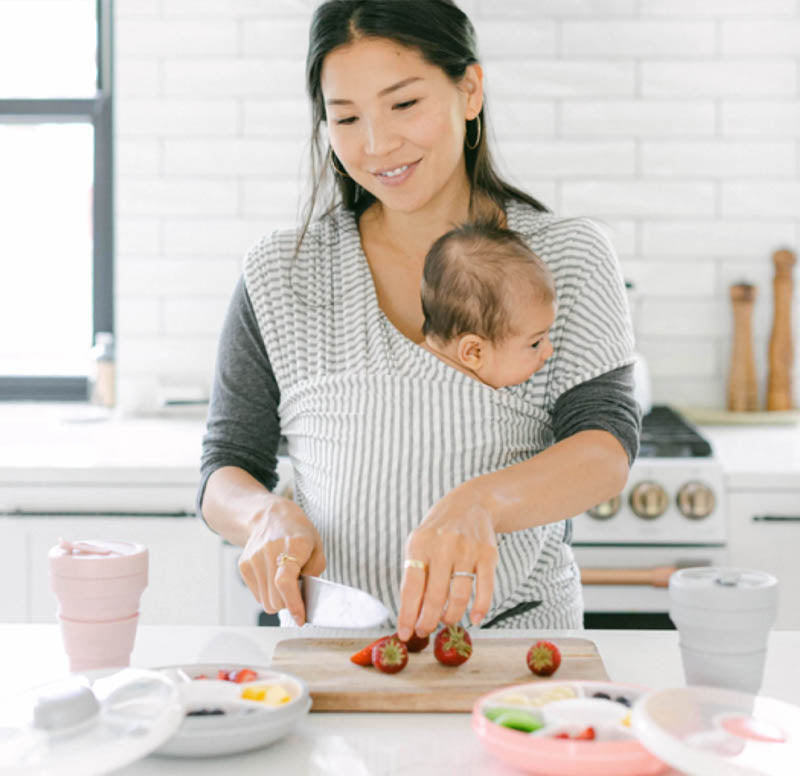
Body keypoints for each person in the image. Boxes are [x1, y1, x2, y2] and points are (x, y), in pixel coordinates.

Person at [199, 0, 640, 640]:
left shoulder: (567, 256)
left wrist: (481, 502)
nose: (377, 145)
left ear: (469, 90)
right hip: (330, 640)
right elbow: (225, 467)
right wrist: (262, 514)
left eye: (403, 105)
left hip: (514, 645)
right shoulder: (281, 272)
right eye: (345, 117)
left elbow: (605, 450)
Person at [419, 223, 556, 390]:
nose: (549, 351)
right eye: (535, 343)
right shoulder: (485, 411)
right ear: (474, 352)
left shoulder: (394, 366)